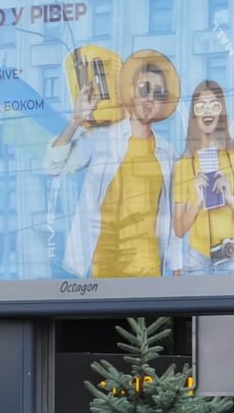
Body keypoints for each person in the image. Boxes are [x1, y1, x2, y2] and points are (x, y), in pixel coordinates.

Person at [44, 47, 180, 279]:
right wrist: (76, 120)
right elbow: (53, 166)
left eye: (158, 92)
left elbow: (170, 213)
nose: (150, 97)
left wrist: (177, 271)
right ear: (131, 92)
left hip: (149, 275)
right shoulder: (103, 138)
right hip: (104, 273)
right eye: (144, 88)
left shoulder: (167, 152)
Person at [170, 79, 234, 273]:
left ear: (222, 111)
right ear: (194, 113)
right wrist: (198, 202)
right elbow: (178, 229)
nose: (207, 112)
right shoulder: (184, 163)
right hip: (197, 260)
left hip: (229, 256)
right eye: (201, 106)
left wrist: (230, 200)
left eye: (214, 105)